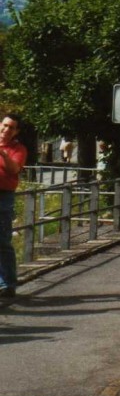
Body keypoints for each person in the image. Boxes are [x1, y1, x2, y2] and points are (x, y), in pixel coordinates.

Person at [0, 114, 29, 299]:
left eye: (11, 127)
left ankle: (8, 284)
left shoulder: (18, 149)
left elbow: (14, 169)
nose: (6, 130)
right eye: (4, 125)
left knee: (2, 241)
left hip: (3, 197)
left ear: (16, 131)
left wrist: (2, 153)